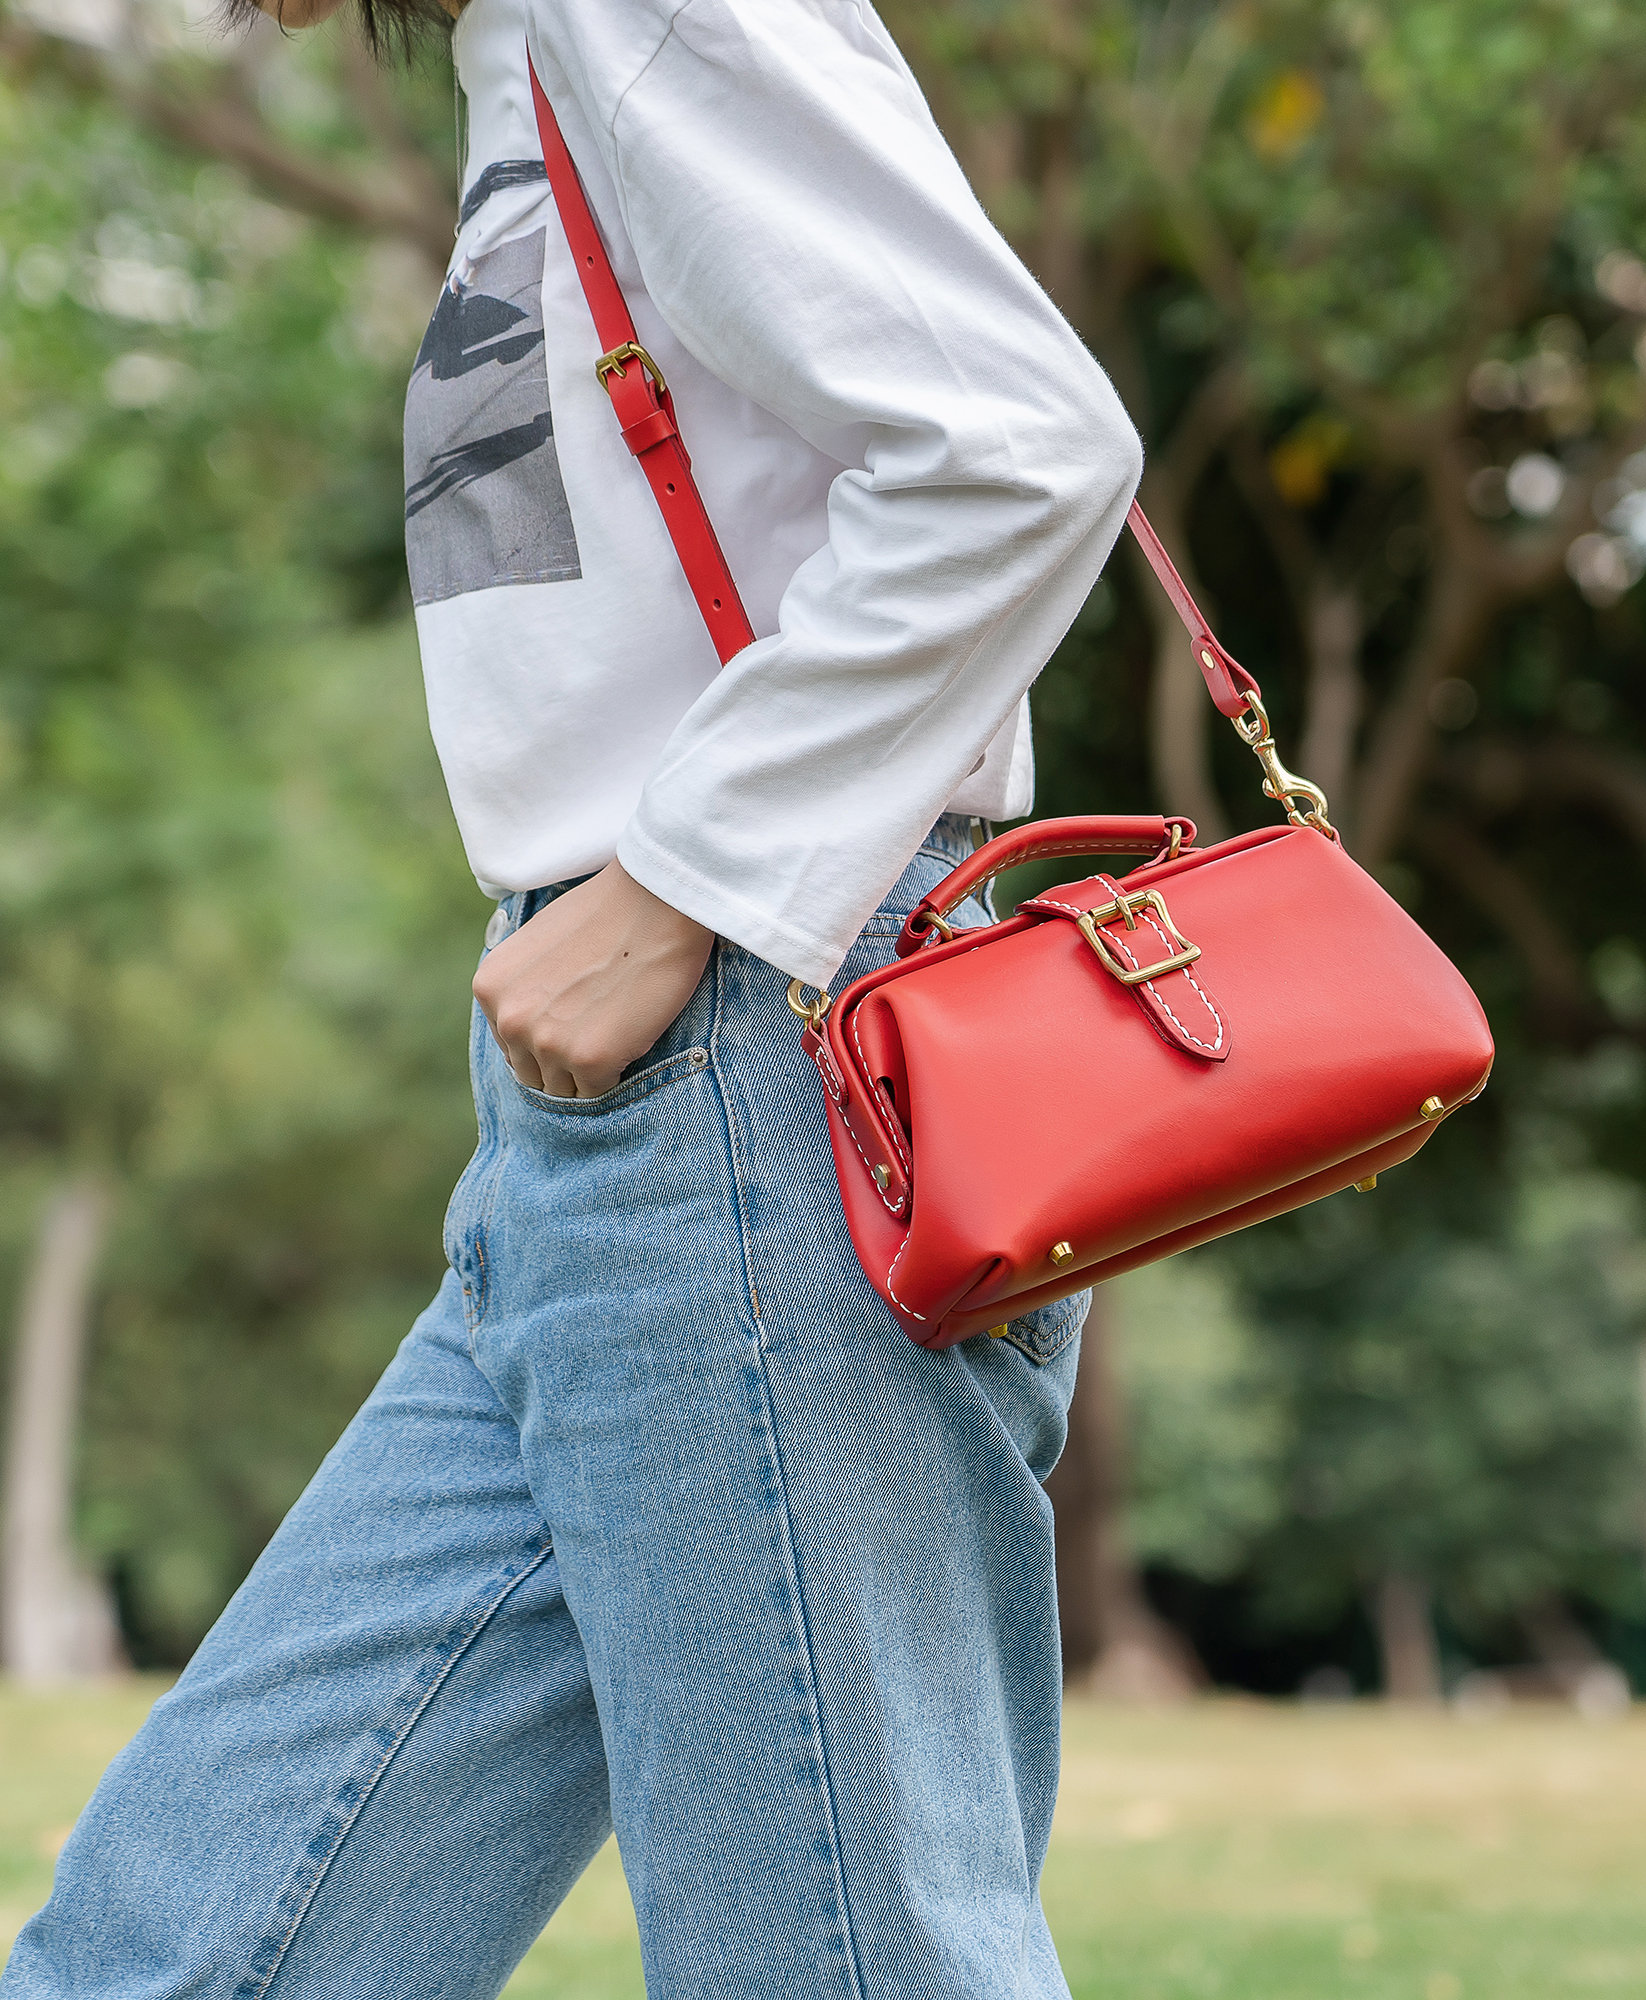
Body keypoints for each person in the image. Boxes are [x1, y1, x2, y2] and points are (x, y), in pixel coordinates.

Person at [0, 0, 1141, 1992]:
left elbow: (1018, 446)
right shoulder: (518, 53)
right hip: (609, 1133)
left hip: (768, 1071)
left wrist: (686, 878)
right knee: (175, 1946)